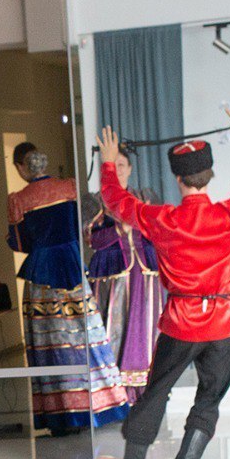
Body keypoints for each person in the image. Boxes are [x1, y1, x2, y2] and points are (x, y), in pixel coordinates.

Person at [98, 105, 230, 459]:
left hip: (180, 322)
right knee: (209, 399)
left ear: (178, 179)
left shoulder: (162, 219)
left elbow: (115, 200)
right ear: (208, 176)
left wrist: (109, 164)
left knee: (157, 391)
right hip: (224, 324)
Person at [4, 142, 126, 433]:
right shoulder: (70, 186)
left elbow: (19, 243)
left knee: (49, 345)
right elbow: (85, 229)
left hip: (41, 276)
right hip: (73, 269)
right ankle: (103, 405)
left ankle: (62, 416)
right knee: (88, 338)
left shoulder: (18, 199)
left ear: (22, 167)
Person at [86, 148, 167, 407]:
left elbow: (160, 230)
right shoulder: (95, 201)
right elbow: (92, 239)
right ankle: (114, 392)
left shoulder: (145, 196)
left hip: (145, 273)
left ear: (130, 168)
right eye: (114, 164)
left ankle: (146, 389)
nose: (118, 169)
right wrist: (121, 228)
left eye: (123, 164)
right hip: (112, 275)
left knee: (147, 329)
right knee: (114, 329)